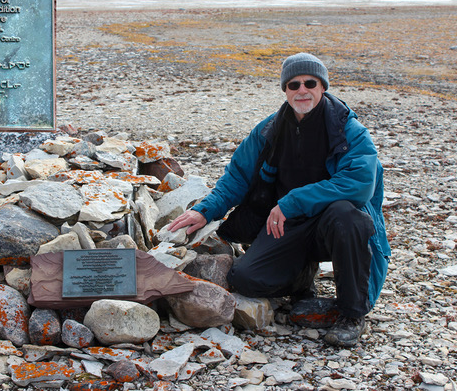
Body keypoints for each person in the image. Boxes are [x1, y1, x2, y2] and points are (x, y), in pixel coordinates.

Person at [167, 52, 390, 347]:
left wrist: (292, 201)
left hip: (332, 225)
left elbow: (359, 184)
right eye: (293, 84)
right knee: (247, 279)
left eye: (310, 83)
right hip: (286, 226)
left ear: (323, 87)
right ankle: (301, 277)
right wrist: (206, 211)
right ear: (285, 90)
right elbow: (237, 177)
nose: (302, 90)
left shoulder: (349, 130)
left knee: (348, 217)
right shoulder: (268, 131)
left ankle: (351, 314)